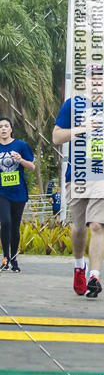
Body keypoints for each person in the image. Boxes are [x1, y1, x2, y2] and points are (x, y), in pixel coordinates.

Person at [52, 65, 104, 298]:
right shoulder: (72, 105)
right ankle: (79, 267)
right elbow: (56, 136)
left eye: (100, 78)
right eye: (92, 78)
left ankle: (94, 276)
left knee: (97, 225)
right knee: (79, 227)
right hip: (77, 174)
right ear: (84, 82)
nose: (96, 82)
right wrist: (81, 128)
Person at [0, 117, 35, 272]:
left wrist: (20, 159)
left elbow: (32, 167)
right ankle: (5, 258)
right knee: (5, 222)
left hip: (18, 192)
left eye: (6, 126)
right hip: (2, 192)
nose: (3, 129)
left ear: (11, 129)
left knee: (14, 226)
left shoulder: (21, 145)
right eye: (0, 126)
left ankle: (14, 259)